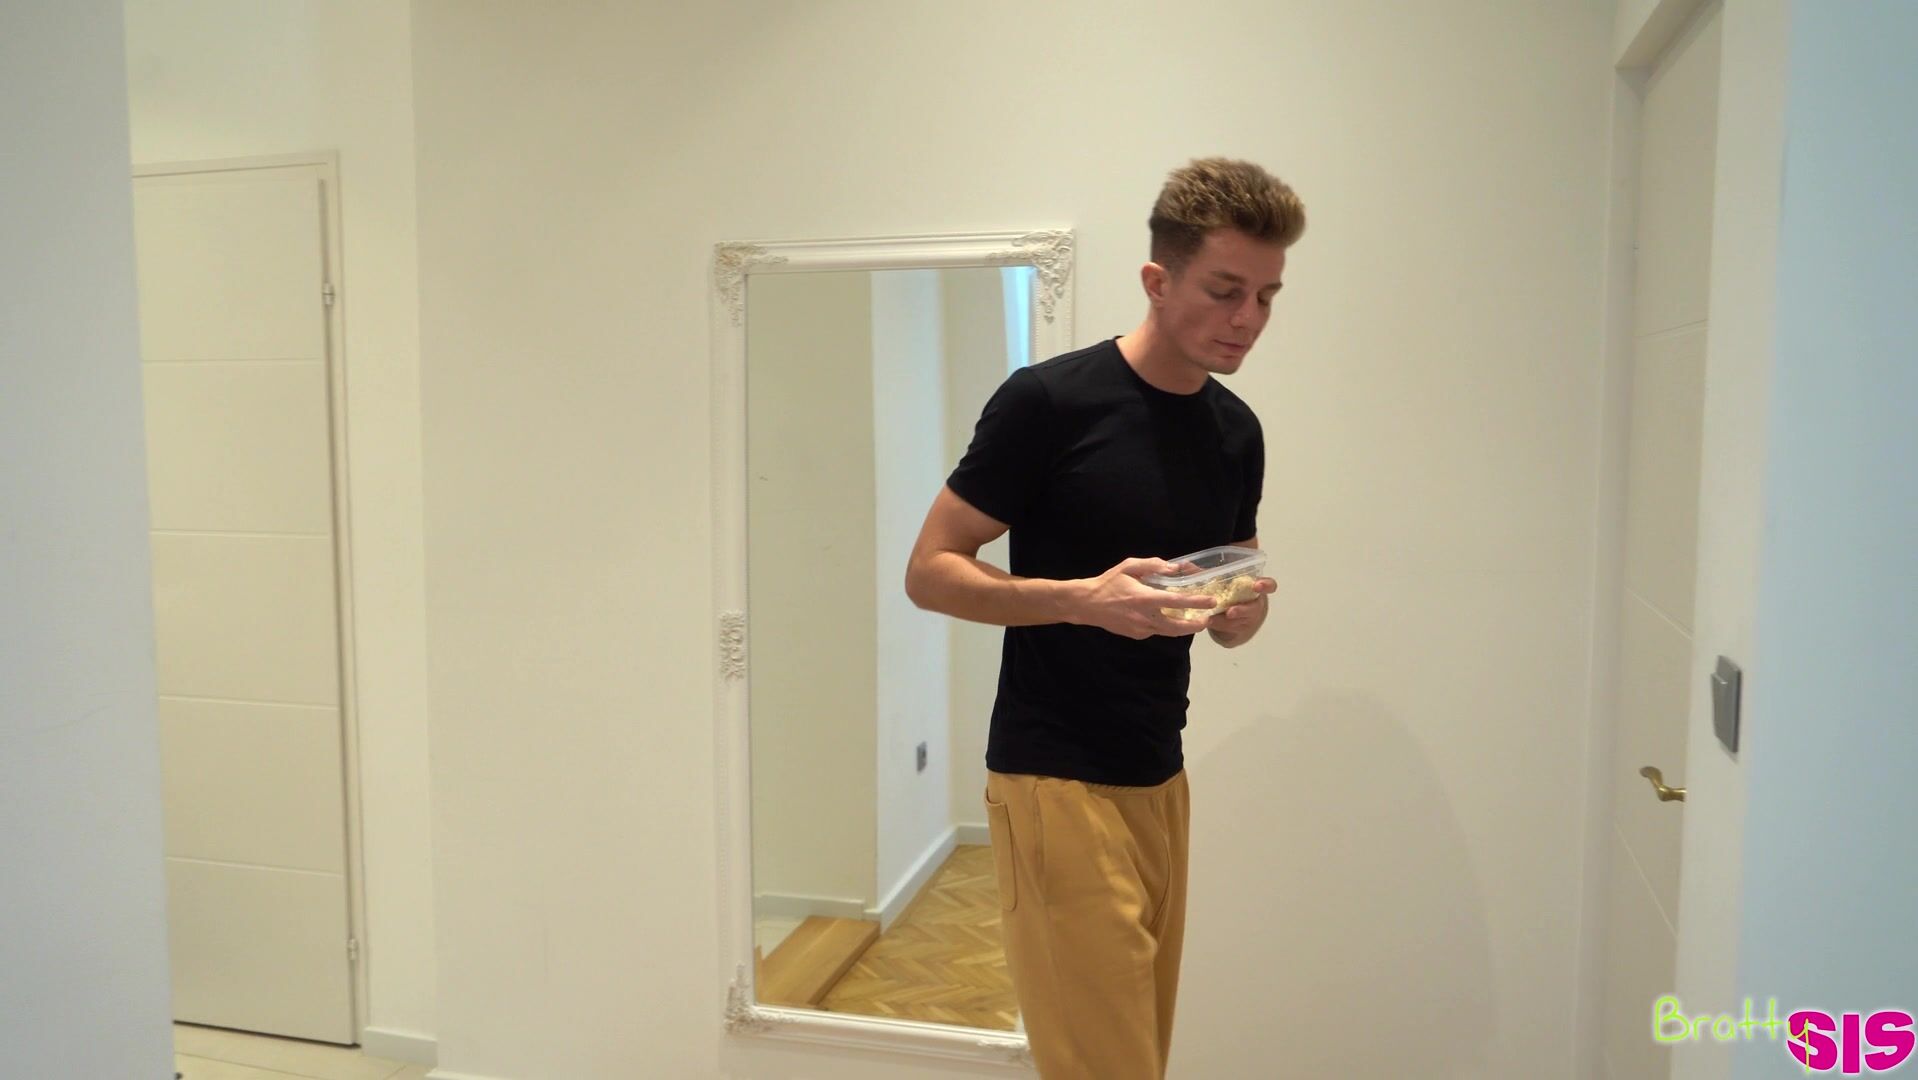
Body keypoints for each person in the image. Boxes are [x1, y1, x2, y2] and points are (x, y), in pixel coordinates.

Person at [903, 157, 1304, 1079]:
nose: (1248, 318)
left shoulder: (1235, 431)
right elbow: (930, 573)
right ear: (1158, 281)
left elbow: (1234, 583)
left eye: (1267, 296)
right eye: (1226, 291)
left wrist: (1237, 616)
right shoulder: (1049, 403)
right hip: (1054, 778)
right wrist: (1082, 599)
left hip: (1159, 774)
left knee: (1136, 1058)